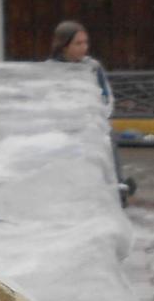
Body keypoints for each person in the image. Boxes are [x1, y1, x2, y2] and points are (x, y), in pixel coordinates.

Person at [50, 19, 135, 206]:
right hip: (62, 123)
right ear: (64, 46)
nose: (84, 48)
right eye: (78, 43)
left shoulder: (92, 67)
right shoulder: (51, 69)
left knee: (107, 139)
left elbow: (106, 96)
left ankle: (117, 184)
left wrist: (98, 116)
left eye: (85, 43)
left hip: (90, 122)